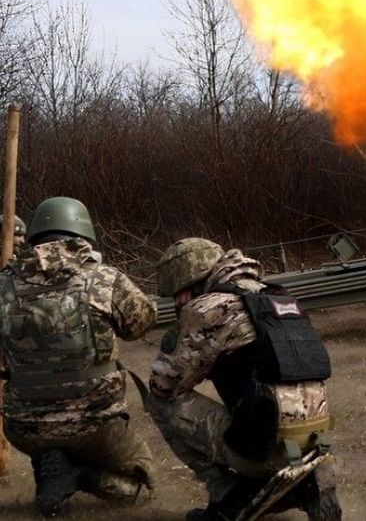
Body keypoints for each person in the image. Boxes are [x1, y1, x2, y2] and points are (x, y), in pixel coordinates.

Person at [148, 238, 341, 521]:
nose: (176, 301)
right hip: (315, 439)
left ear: (189, 281)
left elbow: (164, 384)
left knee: (159, 402)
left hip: (263, 447)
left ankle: (226, 489)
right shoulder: (277, 296)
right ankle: (308, 476)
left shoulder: (207, 308)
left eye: (177, 294)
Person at [0, 197, 157, 517]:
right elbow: (140, 324)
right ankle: (78, 474)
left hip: (24, 428)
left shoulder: (4, 284)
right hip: (96, 420)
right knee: (142, 489)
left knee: (48, 436)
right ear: (83, 235)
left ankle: (53, 465)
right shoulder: (104, 278)